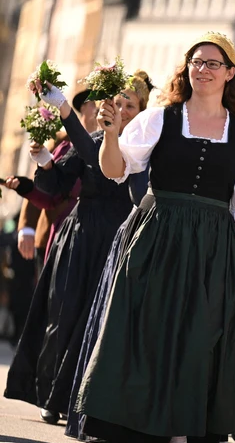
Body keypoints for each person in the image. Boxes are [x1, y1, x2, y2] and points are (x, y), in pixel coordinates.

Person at [77, 32, 235, 443]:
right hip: (157, 236)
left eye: (212, 63)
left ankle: (180, 435)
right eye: (195, 62)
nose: (202, 70)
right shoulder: (160, 119)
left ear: (230, 73)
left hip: (212, 247)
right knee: (144, 336)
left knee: (195, 340)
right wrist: (111, 133)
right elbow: (115, 170)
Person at [3, 71, 149, 425]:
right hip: (81, 235)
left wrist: (65, 109)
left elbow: (101, 158)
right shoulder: (91, 139)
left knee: (97, 322)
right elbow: (54, 190)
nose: (122, 108)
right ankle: (50, 393)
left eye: (130, 104)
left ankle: (83, 397)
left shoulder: (142, 149)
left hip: (118, 239)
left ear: (143, 110)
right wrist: (43, 164)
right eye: (118, 102)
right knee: (62, 313)